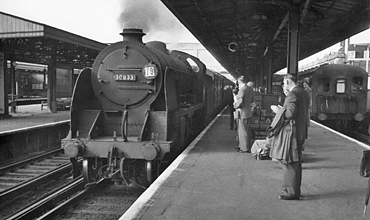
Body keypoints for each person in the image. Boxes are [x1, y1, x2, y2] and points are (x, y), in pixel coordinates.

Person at [270, 74, 310, 200]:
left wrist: (278, 110)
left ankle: (290, 191)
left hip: (292, 133)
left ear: (288, 82)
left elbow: (289, 114)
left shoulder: (292, 94)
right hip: (301, 130)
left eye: (284, 83)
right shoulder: (303, 92)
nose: (283, 85)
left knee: (289, 162)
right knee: (296, 162)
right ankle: (295, 190)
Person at [234, 76, 254, 153]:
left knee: (242, 131)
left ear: (239, 82)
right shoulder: (250, 89)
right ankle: (241, 145)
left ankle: (244, 148)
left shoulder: (242, 90)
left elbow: (240, 102)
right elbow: (252, 100)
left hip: (242, 113)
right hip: (248, 112)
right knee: (246, 130)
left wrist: (235, 104)